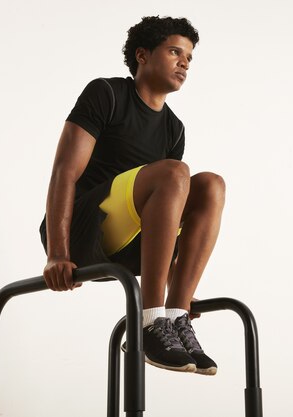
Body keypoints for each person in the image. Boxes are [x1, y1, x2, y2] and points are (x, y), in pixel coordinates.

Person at [39, 16, 225, 376]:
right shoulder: (106, 94)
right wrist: (57, 253)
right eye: (175, 51)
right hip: (82, 229)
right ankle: (150, 321)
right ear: (142, 55)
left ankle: (175, 314)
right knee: (175, 172)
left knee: (211, 185)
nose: (184, 62)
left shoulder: (174, 128)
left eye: (189, 57)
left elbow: (165, 214)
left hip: (131, 246)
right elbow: (64, 170)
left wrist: (178, 285)